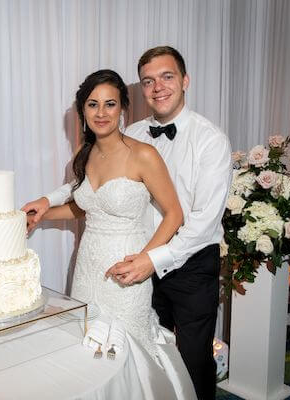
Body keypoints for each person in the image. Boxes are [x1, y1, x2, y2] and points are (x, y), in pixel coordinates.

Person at [23, 46, 232, 400]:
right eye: (148, 81)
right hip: (128, 259)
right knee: (143, 351)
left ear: (185, 80)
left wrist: (150, 259)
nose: (158, 87)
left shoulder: (210, 141)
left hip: (188, 261)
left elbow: (198, 222)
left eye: (167, 77)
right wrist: (47, 203)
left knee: (193, 357)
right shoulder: (128, 131)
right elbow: (87, 191)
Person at [35, 69, 183, 355]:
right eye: (93, 104)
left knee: (126, 348)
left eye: (110, 103)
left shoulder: (144, 154)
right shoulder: (82, 154)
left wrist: (146, 260)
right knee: (86, 340)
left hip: (127, 268)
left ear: (123, 108)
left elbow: (175, 214)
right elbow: (85, 207)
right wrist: (42, 214)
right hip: (87, 265)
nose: (101, 113)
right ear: (83, 111)